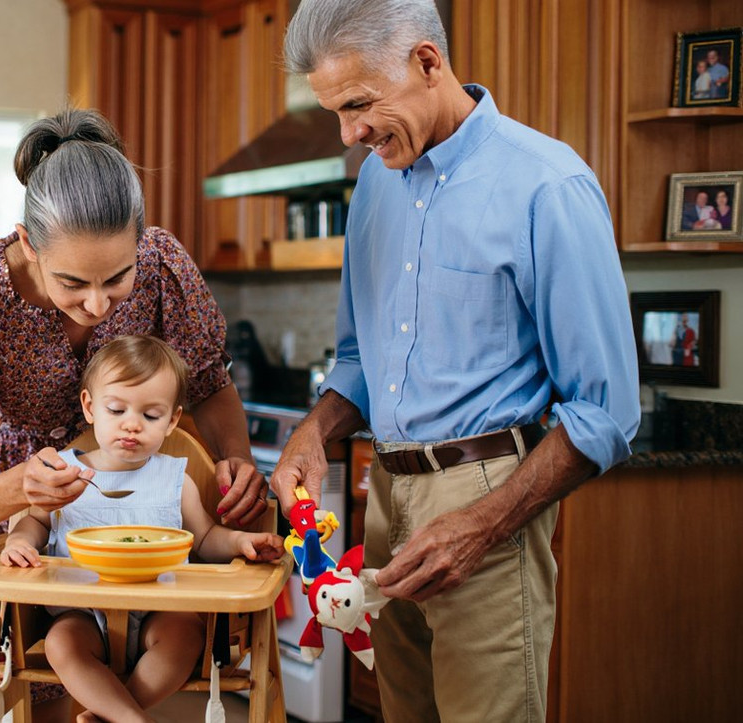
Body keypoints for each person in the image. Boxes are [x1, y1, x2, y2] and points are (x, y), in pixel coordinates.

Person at [274, 2, 640, 721]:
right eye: (335, 113)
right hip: (387, 497)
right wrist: (315, 430)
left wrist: (482, 523)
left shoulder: (547, 186)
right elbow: (358, 357)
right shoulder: (376, 182)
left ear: (428, 63)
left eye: (358, 105)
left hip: (489, 501)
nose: (349, 134)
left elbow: (607, 410)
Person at [0, 108, 269, 723]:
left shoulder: (163, 267)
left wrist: (235, 465)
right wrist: (21, 490)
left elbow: (208, 384)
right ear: (28, 244)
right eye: (71, 282)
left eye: (116, 277)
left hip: (117, 527)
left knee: (95, 687)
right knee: (1, 701)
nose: (97, 304)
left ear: (141, 242)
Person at [1, 335, 285, 723]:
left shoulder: (173, 478)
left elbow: (205, 538)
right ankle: (134, 720)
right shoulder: (62, 474)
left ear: (171, 420)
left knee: (187, 635)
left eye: (151, 416)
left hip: (161, 609)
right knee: (61, 644)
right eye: (116, 410)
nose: (132, 425)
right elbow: (34, 521)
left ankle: (113, 716)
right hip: (81, 610)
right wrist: (19, 542)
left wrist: (240, 541)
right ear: (89, 407)